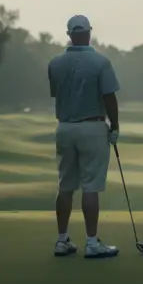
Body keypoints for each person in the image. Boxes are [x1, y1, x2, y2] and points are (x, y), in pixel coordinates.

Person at [47, 14, 121, 259]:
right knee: (90, 186)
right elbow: (109, 97)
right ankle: (91, 243)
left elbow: (56, 94)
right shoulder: (101, 62)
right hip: (92, 127)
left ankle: (62, 240)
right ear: (89, 32)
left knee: (65, 185)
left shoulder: (55, 63)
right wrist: (115, 127)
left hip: (65, 128)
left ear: (69, 35)